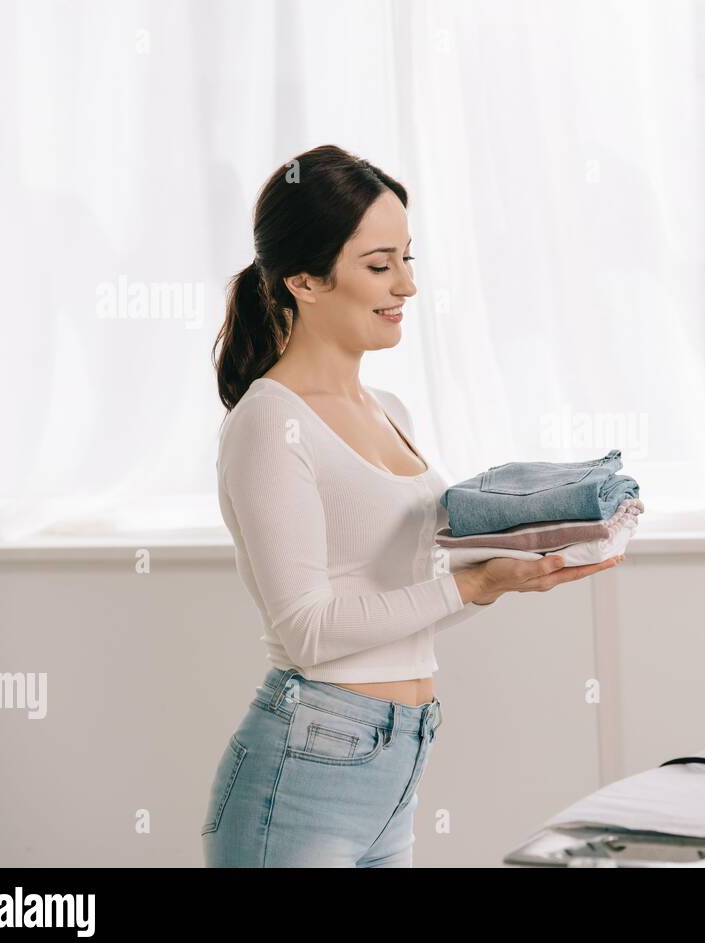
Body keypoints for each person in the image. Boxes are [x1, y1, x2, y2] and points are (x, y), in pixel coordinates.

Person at [201, 144, 622, 866]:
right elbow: (307, 630)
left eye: (408, 258)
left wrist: (503, 576)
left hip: (397, 763)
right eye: (378, 264)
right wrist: (471, 583)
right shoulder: (271, 423)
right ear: (304, 278)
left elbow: (399, 601)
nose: (407, 285)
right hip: (303, 773)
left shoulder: (388, 408)